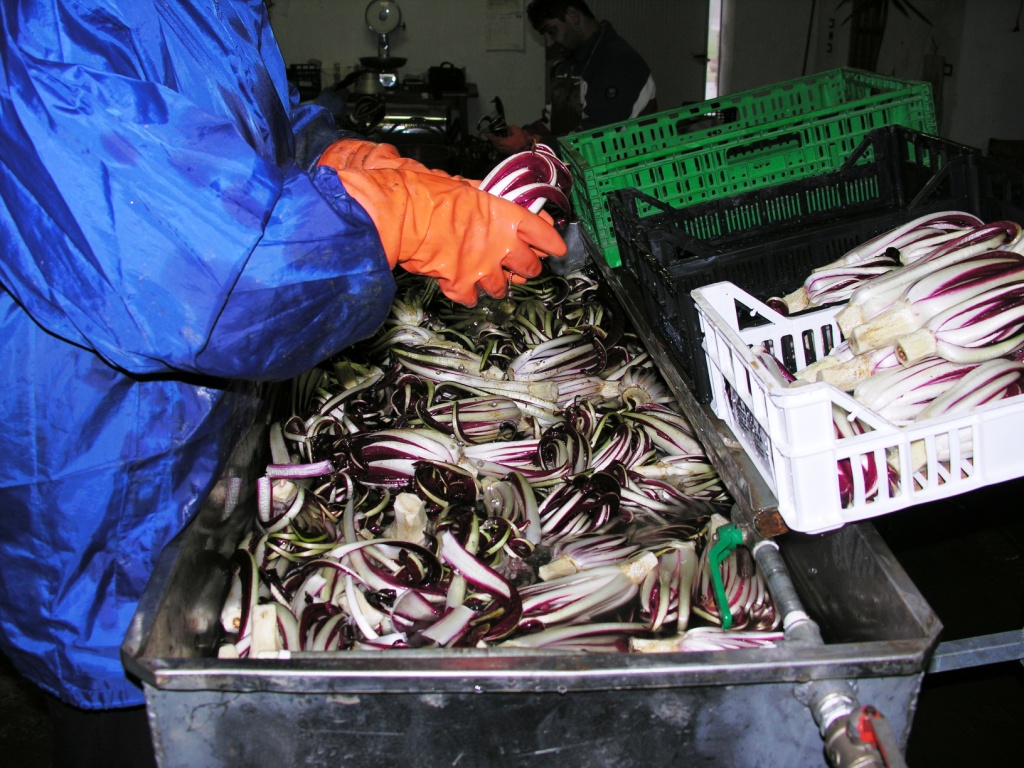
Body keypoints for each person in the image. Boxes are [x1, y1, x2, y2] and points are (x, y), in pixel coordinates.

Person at [0, 1, 565, 765]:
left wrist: (340, 155)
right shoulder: (65, 20)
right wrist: (387, 215)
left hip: (189, 452)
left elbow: (247, 133)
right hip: (103, 485)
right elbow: (215, 288)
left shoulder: (207, 11)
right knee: (127, 728)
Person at [488, 0, 658, 154]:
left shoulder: (619, 62)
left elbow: (596, 139)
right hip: (581, 178)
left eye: (551, 31)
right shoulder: (568, 64)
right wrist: (524, 134)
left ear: (573, 16)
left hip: (626, 179)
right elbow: (551, 121)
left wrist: (528, 145)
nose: (549, 43)